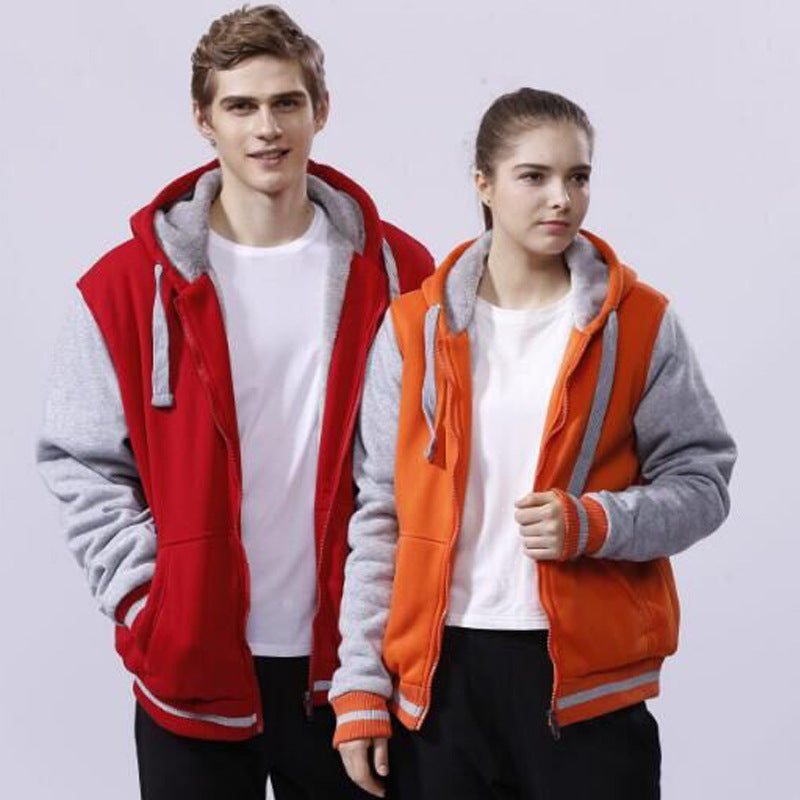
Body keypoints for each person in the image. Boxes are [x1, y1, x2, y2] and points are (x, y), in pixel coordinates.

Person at [35, 5, 433, 798]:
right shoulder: (124, 288)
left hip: (355, 669)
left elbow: (434, 454)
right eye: (241, 106)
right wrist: (151, 604)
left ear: (321, 110)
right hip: (195, 671)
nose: (267, 128)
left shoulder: (401, 273)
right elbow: (80, 461)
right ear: (203, 120)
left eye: (287, 102)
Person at [329, 88, 737, 799]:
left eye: (578, 177)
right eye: (534, 176)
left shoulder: (640, 323)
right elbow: (380, 514)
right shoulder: (413, 328)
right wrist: (360, 683)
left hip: (584, 686)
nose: (561, 199)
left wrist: (594, 523)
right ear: (483, 184)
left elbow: (703, 486)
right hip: (440, 678)